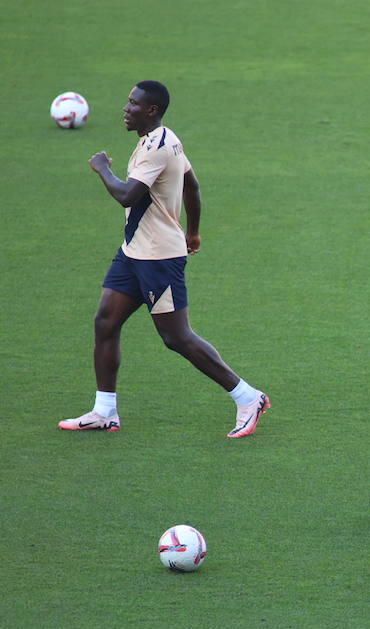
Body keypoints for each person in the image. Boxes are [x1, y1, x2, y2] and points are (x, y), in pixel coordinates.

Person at [59, 80, 270, 436]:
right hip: (133, 253)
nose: (126, 109)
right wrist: (193, 230)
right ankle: (104, 411)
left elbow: (128, 195)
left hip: (157, 258)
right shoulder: (165, 139)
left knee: (177, 337)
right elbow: (192, 185)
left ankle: (248, 397)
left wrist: (102, 168)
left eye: (133, 104)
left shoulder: (157, 147)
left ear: (151, 111)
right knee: (105, 322)